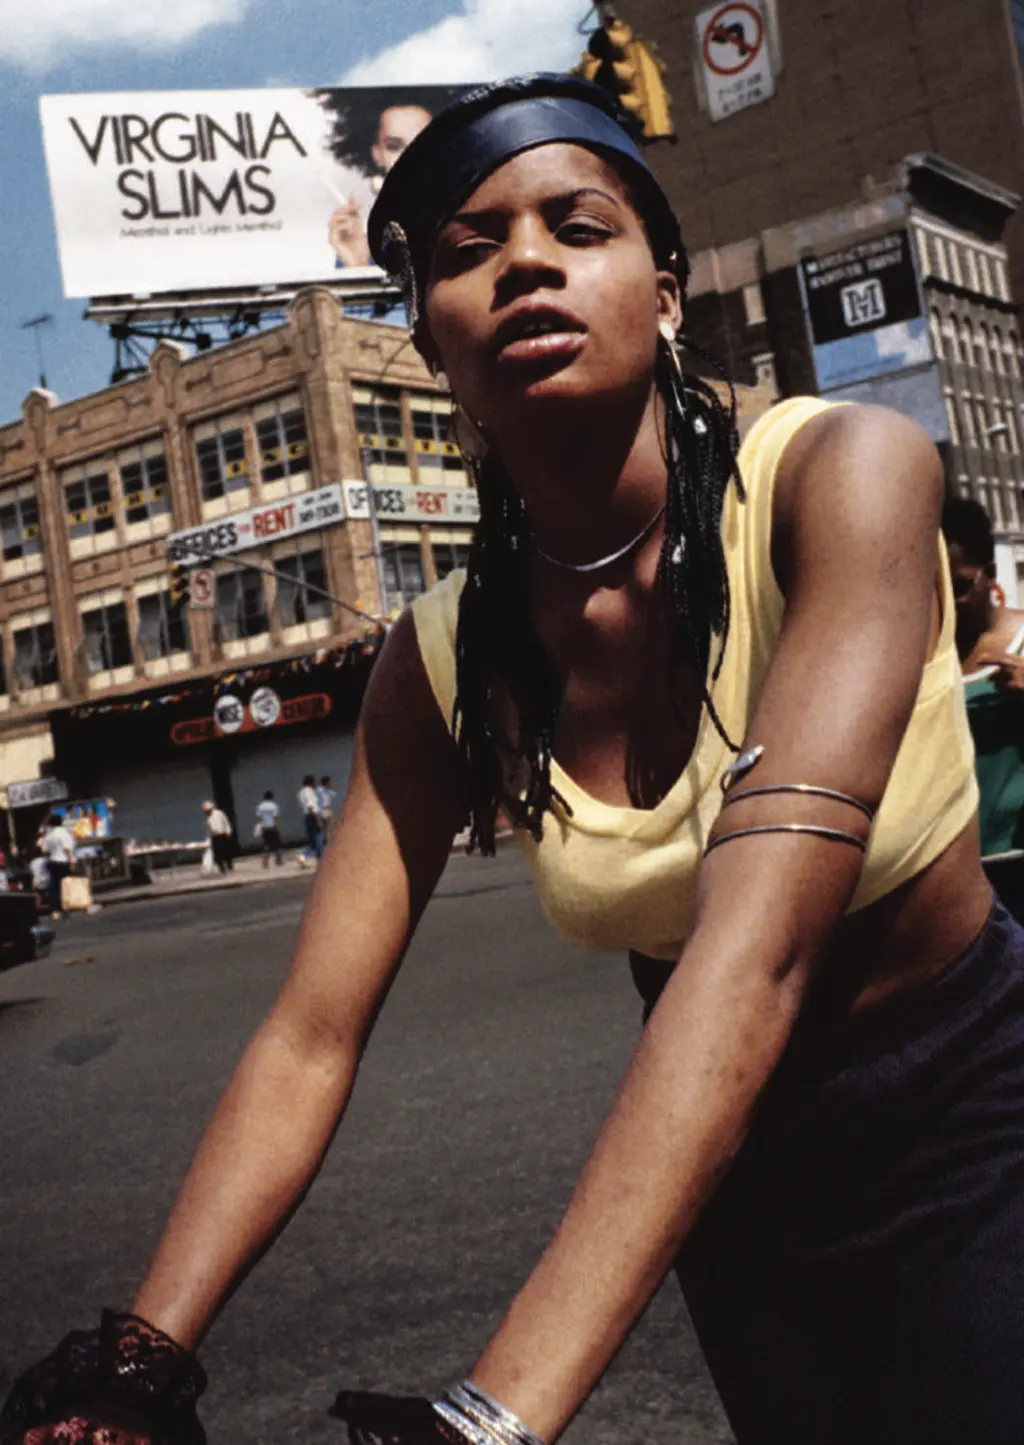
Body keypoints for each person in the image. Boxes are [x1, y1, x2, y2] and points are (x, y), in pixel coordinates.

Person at [3, 75, 1021, 1445]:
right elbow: (308, 1036)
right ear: (432, 344)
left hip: (974, 1113)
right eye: (470, 251)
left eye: (577, 226)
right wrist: (136, 1363)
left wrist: (490, 1419)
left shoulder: (841, 474)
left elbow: (757, 952)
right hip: (725, 1176)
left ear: (666, 295)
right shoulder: (437, 664)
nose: (528, 262)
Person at [942, 495, 1024, 917]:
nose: (947, 599)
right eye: (934, 585)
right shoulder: (921, 659)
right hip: (956, 877)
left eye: (959, 586)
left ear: (990, 575)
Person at [40, 812, 76, 920]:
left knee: (55, 886)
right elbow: (67, 849)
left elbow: (45, 850)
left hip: (52, 861)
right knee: (65, 885)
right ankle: (65, 908)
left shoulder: (49, 835)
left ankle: (55, 909)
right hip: (63, 861)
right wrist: (72, 862)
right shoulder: (64, 833)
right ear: (61, 822)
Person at [296, 773, 323, 866]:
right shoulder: (309, 792)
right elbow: (311, 807)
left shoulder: (301, 792)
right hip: (312, 816)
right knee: (318, 838)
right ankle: (321, 859)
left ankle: (303, 857)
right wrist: (317, 820)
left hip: (307, 817)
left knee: (313, 841)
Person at [201, 801, 233, 876]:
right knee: (218, 854)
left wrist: (228, 830)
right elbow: (208, 829)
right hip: (215, 836)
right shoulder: (208, 818)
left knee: (226, 851)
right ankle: (222, 869)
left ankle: (229, 866)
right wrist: (208, 838)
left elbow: (226, 822)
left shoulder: (219, 813)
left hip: (222, 834)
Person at [255, 790, 284, 869]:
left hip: (264, 827)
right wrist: (278, 827)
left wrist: (259, 827)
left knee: (267, 844)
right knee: (277, 843)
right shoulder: (274, 806)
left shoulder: (260, 806)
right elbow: (275, 818)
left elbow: (258, 818)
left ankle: (265, 860)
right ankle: (278, 860)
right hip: (272, 826)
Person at [317, 774, 337, 843]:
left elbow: (334, 795)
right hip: (323, 809)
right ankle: (326, 840)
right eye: (329, 782)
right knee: (327, 825)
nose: (330, 783)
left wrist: (331, 787)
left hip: (328, 808)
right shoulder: (320, 790)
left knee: (329, 825)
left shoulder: (328, 790)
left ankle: (327, 839)